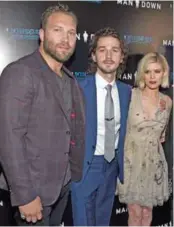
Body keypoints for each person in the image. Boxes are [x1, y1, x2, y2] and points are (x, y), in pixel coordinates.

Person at [0, 3, 85, 226]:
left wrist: (71, 176)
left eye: (71, 33)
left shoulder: (69, 78)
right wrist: (25, 194)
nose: (65, 39)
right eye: (57, 30)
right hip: (33, 192)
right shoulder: (20, 72)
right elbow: (8, 137)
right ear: (41, 34)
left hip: (61, 186)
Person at [71, 27, 131, 226]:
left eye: (115, 50)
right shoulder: (78, 87)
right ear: (93, 55)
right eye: (102, 49)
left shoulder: (127, 91)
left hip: (112, 167)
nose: (108, 55)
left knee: (103, 221)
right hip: (86, 167)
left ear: (122, 57)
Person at [118, 52, 172, 226]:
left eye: (157, 71)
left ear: (164, 73)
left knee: (148, 213)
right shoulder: (130, 95)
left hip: (154, 162)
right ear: (142, 74)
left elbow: (162, 136)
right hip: (131, 161)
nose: (152, 76)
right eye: (148, 72)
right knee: (134, 213)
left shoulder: (167, 102)